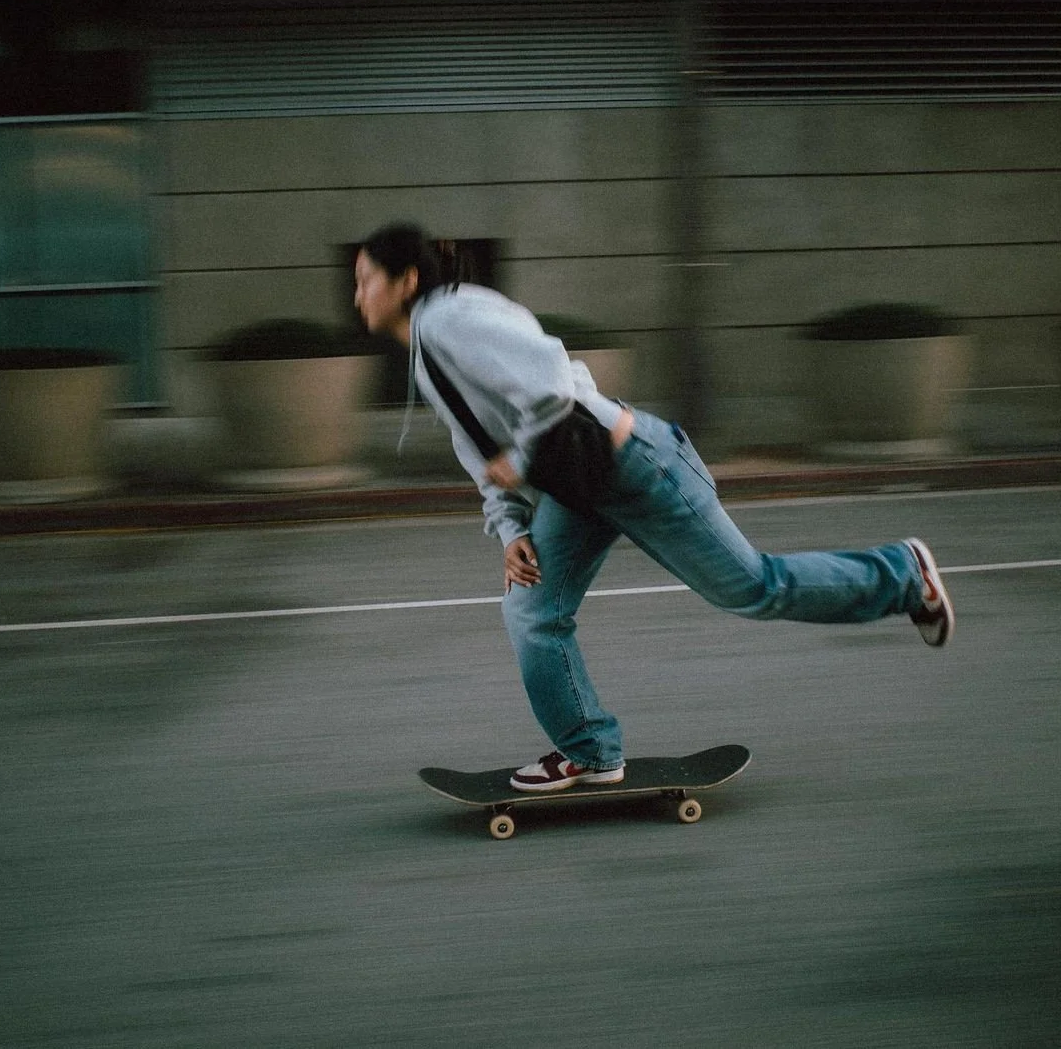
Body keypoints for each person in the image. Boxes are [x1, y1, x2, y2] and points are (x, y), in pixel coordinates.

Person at [354, 223, 955, 794]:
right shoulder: (428, 345)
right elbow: (477, 447)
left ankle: (905, 575)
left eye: (365, 280)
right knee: (531, 611)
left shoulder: (451, 317)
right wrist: (511, 528)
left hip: (635, 466)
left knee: (753, 588)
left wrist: (522, 455)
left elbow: (552, 374)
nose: (357, 296)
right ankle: (590, 750)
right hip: (578, 485)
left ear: (407, 280)